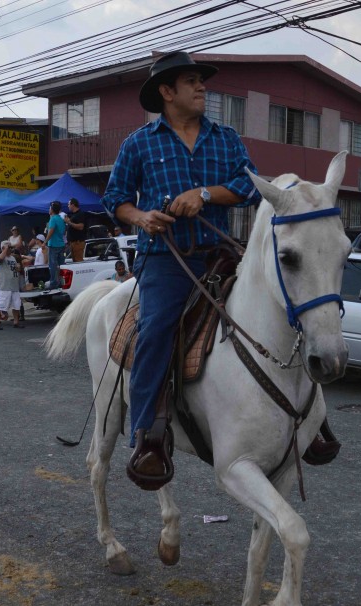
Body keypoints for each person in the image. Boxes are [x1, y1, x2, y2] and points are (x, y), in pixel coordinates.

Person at [102, 50, 262, 488]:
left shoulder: (225, 138)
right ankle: (148, 437)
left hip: (219, 253)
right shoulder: (139, 142)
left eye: (201, 81)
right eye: (191, 81)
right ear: (166, 92)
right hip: (165, 258)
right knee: (155, 329)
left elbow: (251, 185)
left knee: (282, 305)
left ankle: (311, 421)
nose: (202, 87)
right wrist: (142, 217)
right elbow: (115, 199)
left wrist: (205, 195)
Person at [0, 240, 22, 330]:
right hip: (4, 286)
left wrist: (18, 269)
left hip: (14, 285)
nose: (10, 249)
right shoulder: (0, 256)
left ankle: (16, 322)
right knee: (1, 305)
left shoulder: (12, 258)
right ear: (3, 248)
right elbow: (0, 259)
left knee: (16, 305)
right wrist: (5, 249)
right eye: (9, 247)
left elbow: (16, 269)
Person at [44, 201, 67, 288]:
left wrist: (45, 242)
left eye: (50, 208)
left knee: (52, 265)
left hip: (53, 245)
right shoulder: (61, 219)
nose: (49, 210)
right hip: (61, 244)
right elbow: (64, 232)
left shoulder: (52, 219)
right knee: (62, 264)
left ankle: (53, 283)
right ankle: (62, 281)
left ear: (52, 209)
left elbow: (51, 231)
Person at [64, 198, 87, 262]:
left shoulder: (80, 214)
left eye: (68, 204)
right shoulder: (73, 214)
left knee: (78, 261)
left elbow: (81, 226)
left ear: (73, 205)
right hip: (72, 242)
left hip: (78, 242)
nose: (68, 206)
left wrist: (69, 222)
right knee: (75, 261)